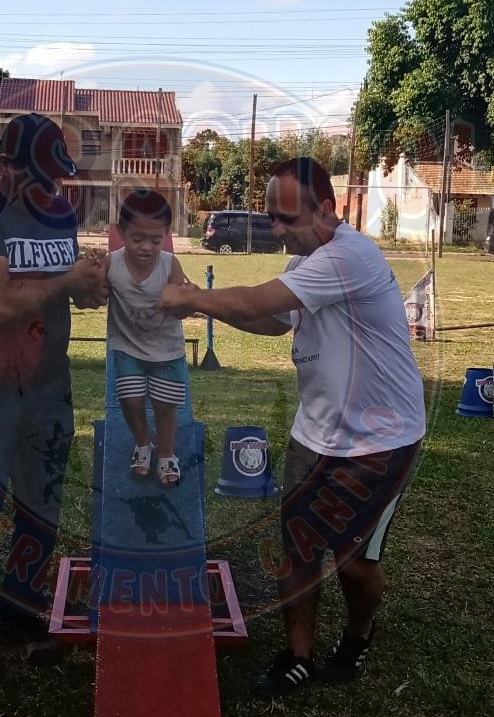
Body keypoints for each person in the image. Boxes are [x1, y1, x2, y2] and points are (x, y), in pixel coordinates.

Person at [160, 157, 425, 697]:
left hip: (380, 440)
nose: (276, 231)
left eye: (285, 219)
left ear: (326, 209)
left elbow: (262, 299)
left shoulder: (349, 256)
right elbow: (268, 319)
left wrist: (190, 297)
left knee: (352, 565)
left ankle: (357, 635)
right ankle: (297, 656)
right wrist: (199, 306)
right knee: (297, 549)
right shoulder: (311, 262)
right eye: (270, 218)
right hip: (315, 433)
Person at [0, 113, 109, 695]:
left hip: (46, 383)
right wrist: (66, 281)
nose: (55, 189)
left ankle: (20, 609)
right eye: (42, 176)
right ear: (7, 166)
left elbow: (67, 294)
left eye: (58, 177)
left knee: (41, 506)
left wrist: (93, 282)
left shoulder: (60, 213)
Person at [107, 189, 189, 486]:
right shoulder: (111, 264)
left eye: (156, 241)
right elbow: (92, 292)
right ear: (121, 232)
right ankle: (143, 444)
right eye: (137, 239)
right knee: (130, 400)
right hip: (127, 345)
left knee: (165, 406)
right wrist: (88, 267)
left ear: (166, 235)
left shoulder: (170, 264)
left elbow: (180, 310)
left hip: (166, 350)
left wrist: (184, 300)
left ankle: (167, 455)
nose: (146, 247)